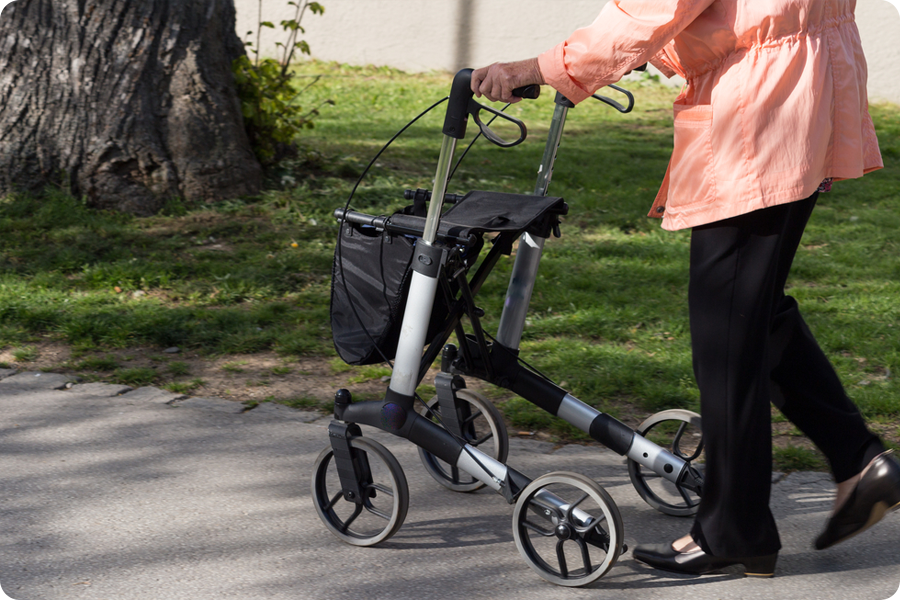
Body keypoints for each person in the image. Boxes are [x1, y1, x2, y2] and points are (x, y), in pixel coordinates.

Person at [471, 0, 899, 577]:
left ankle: (734, 528)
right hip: (805, 81)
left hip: (759, 105)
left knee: (728, 329)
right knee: (753, 309)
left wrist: (542, 67)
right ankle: (857, 459)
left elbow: (652, 8)